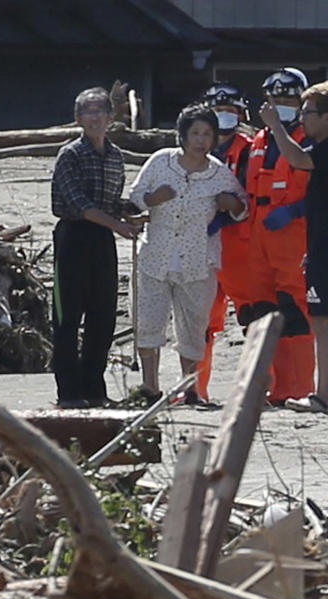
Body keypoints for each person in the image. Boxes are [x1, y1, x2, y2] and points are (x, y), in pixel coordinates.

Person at [129, 104, 247, 403]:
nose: (201, 140)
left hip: (198, 260)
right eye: (195, 133)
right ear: (182, 136)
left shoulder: (219, 173)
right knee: (148, 320)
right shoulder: (160, 162)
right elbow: (135, 196)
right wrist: (154, 199)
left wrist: (230, 204)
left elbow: (243, 206)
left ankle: (189, 387)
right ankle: (150, 386)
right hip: (155, 254)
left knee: (194, 324)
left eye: (207, 134)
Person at [259, 81, 328, 415]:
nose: (302, 118)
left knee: (326, 322)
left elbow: (297, 158)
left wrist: (275, 126)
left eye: (308, 113)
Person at [50, 87, 141, 409]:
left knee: (102, 316)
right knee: (67, 316)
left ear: (111, 117)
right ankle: (69, 391)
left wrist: (132, 212)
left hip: (103, 239)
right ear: (78, 118)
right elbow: (79, 204)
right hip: (74, 236)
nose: (95, 117)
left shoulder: (116, 155)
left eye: (101, 111)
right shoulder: (70, 154)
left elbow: (111, 203)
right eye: (88, 111)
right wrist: (118, 225)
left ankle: (94, 387)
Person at [242, 67, 316, 407]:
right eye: (275, 98)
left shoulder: (307, 138)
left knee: (295, 311)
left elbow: (319, 191)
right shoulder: (258, 140)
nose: (280, 104)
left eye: (287, 98)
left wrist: (294, 211)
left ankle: (299, 387)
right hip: (258, 234)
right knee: (263, 311)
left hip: (292, 234)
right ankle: (274, 387)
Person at [194, 83, 254, 403]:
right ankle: (195, 388)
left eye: (230, 111)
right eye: (218, 111)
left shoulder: (250, 148)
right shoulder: (194, 148)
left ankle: (259, 387)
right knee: (199, 319)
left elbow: (250, 196)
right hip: (202, 243)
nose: (224, 117)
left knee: (252, 317)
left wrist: (227, 202)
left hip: (239, 244)